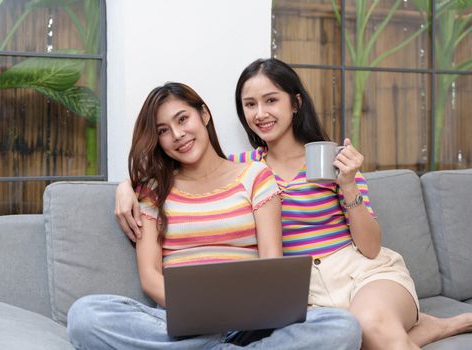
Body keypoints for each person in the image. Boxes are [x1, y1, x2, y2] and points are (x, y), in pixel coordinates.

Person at [115, 59, 472, 350]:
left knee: (370, 324)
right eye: (250, 104)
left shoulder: (332, 159)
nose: (260, 113)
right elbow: (194, 171)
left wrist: (348, 185)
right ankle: (430, 330)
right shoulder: (244, 167)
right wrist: (128, 186)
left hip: (358, 272)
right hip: (304, 289)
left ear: (295, 103)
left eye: (271, 100)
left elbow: (371, 246)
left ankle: (425, 327)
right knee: (346, 333)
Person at [67, 82, 362, 350]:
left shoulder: (255, 175)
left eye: (183, 119)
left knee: (341, 327)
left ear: (204, 115)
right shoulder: (152, 189)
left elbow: (272, 263)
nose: (178, 135)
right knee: (85, 315)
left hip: (251, 325)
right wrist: (202, 315)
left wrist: (244, 314)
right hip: (179, 326)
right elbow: (150, 277)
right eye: (163, 130)